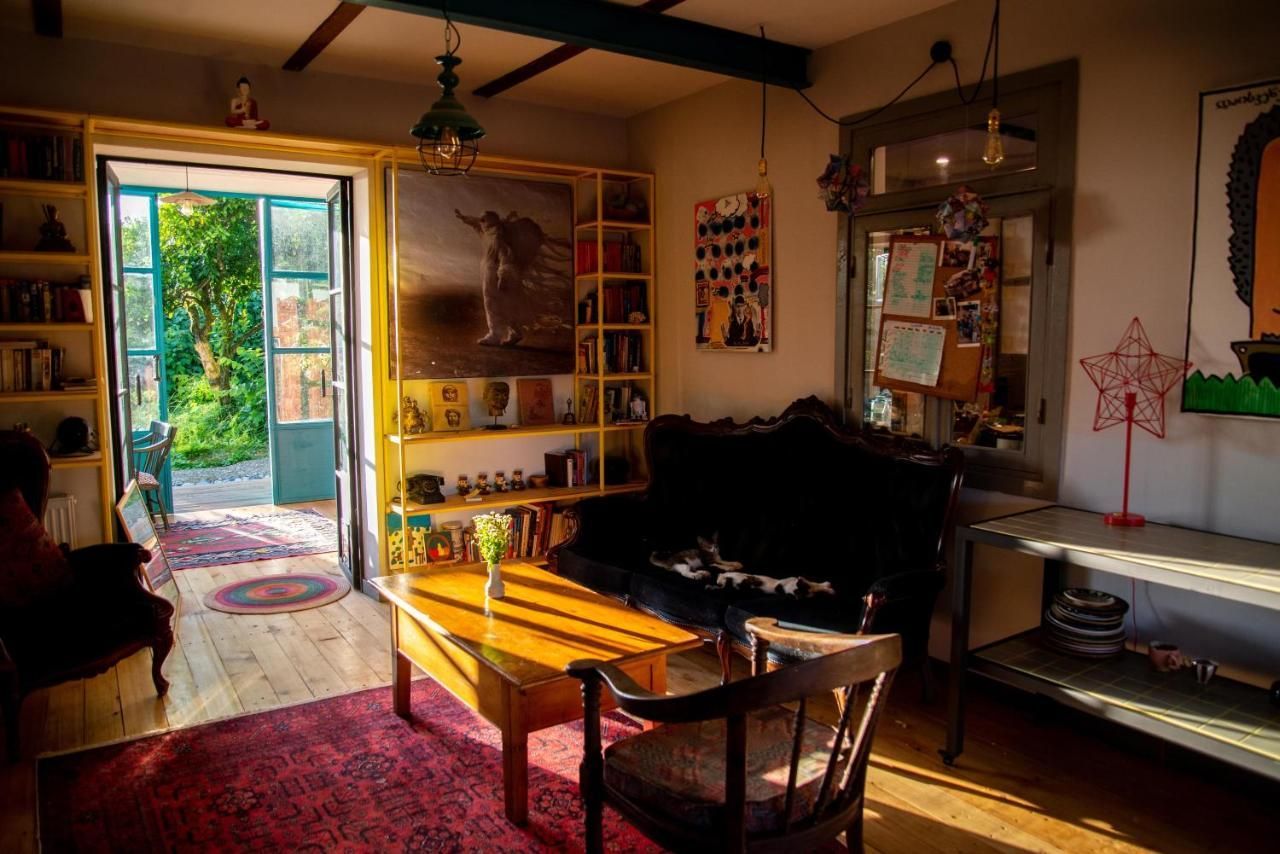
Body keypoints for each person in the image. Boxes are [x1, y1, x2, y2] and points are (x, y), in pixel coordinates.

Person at [456, 209, 526, 346]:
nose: (480, 222)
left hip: (493, 274)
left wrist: (503, 277)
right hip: (489, 271)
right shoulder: (487, 233)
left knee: (492, 303)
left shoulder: (496, 237)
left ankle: (495, 335)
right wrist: (463, 217)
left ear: (490, 221)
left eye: (483, 219)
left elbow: (504, 258)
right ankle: (515, 332)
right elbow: (476, 224)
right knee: (502, 304)